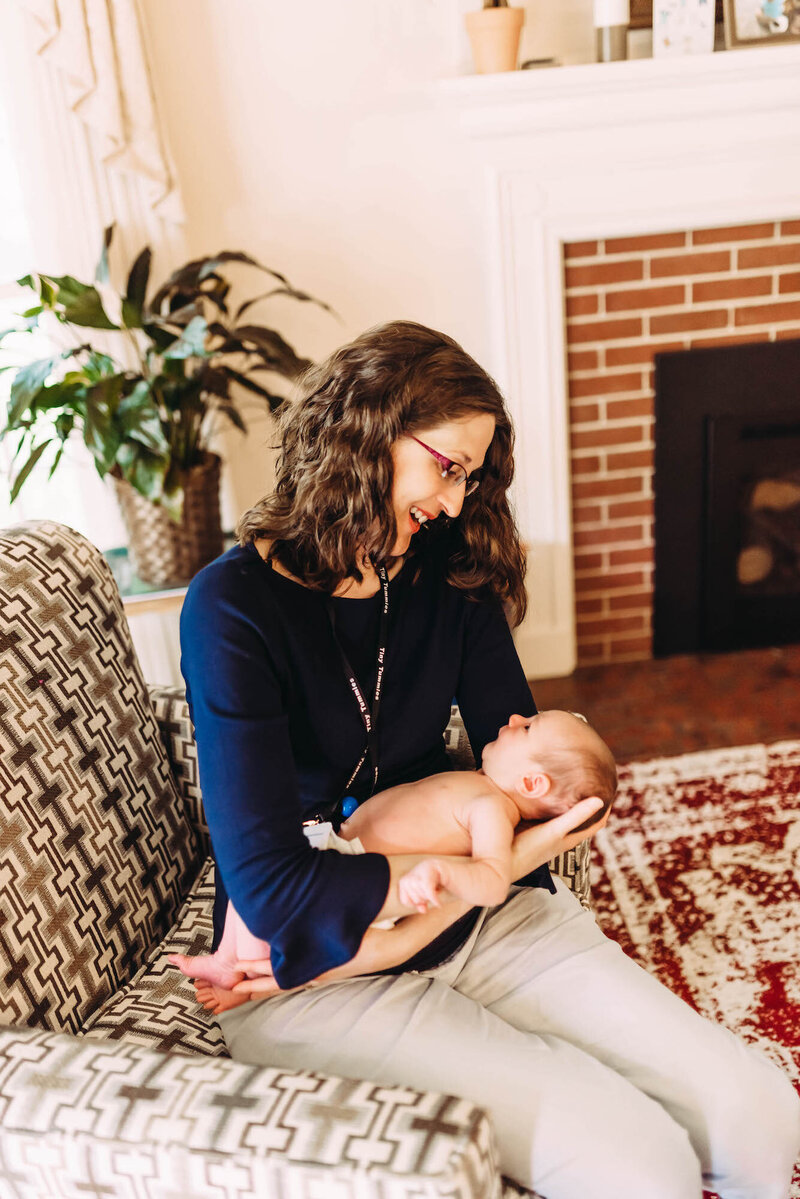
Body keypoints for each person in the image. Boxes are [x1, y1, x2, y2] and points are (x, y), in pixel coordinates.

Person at [179, 320, 799, 1199]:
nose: (459, 502)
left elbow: (558, 794)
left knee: (762, 1114)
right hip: (310, 975)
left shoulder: (449, 569)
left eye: (473, 476)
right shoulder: (231, 606)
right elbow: (276, 891)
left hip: (481, 911)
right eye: (447, 467)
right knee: (642, 1165)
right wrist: (472, 869)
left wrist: (481, 876)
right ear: (367, 432)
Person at [169, 709, 618, 1013]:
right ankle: (228, 955)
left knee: (275, 900)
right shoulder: (480, 784)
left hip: (363, 881)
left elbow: (493, 880)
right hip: (338, 850)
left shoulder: (493, 811)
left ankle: (239, 975)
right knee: (251, 851)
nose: (515, 717)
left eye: (527, 728)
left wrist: (442, 871)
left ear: (533, 783)